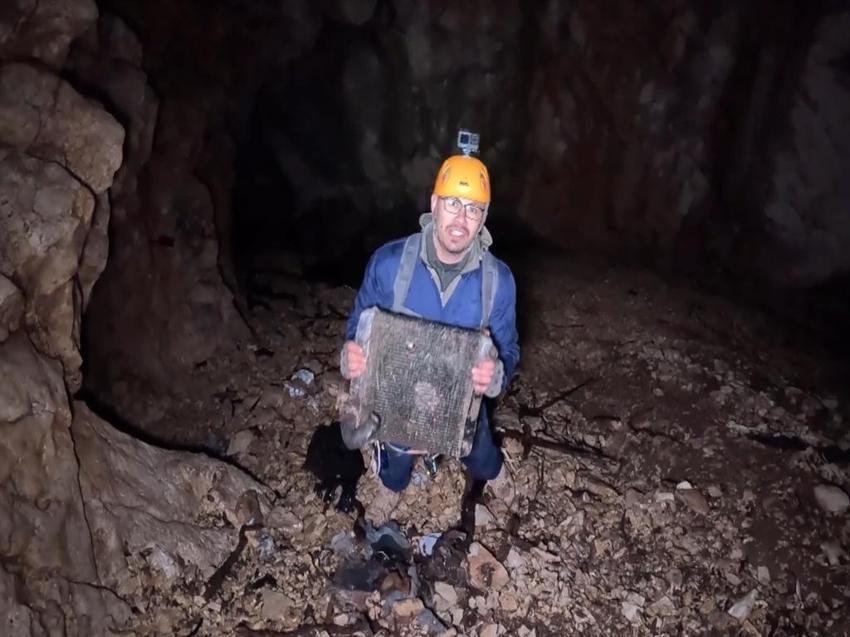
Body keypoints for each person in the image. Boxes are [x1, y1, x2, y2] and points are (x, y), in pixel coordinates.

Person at [339, 147, 520, 522]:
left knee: (479, 450)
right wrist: (351, 354)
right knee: (396, 466)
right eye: (453, 203)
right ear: (434, 204)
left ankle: (495, 474)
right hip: (398, 392)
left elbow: (509, 349)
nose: (461, 219)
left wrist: (495, 375)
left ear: (484, 218)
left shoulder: (498, 282)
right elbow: (359, 324)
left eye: (473, 209)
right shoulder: (390, 265)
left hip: (457, 400)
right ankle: (392, 485)